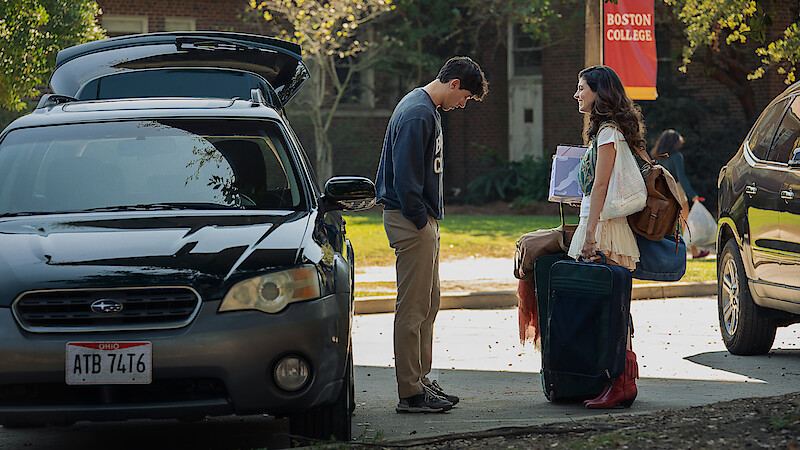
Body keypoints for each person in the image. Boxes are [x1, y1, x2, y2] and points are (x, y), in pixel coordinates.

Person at [375, 56, 489, 413]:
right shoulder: (417, 113)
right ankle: (410, 393)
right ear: (454, 84)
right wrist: (421, 223)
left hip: (421, 220)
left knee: (429, 303)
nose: (463, 105)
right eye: (466, 97)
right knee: (412, 309)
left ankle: (421, 379)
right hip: (411, 220)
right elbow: (406, 179)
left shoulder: (428, 110)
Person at [570, 65, 645, 408]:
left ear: (600, 93)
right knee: (612, 308)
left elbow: (601, 185)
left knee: (611, 309)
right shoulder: (609, 131)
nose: (577, 94)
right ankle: (615, 381)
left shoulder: (607, 133)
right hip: (602, 223)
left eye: (582, 88)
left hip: (604, 230)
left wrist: (589, 236)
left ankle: (620, 383)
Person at [650, 129, 709, 258]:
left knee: (666, 223)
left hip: (663, 191)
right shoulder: (677, 156)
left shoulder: (657, 156)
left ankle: (667, 252)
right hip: (677, 189)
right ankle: (694, 251)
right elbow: (682, 178)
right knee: (685, 222)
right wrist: (692, 195)